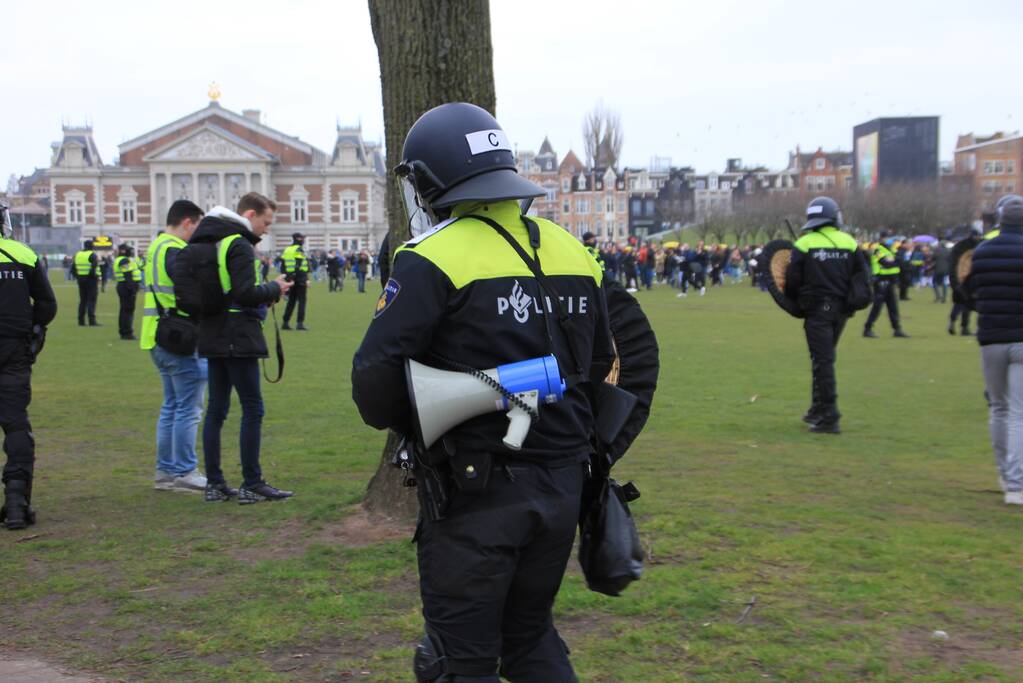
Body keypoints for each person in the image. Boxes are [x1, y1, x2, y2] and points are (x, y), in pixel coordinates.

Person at [352, 102, 614, 683]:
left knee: (458, 659)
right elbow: (601, 362)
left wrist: (430, 416)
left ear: (427, 182)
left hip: (476, 490)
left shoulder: (429, 256)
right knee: (530, 638)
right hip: (563, 481)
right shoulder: (573, 250)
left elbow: (373, 386)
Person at [190, 193, 294, 504]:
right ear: (249, 214)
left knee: (216, 411)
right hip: (238, 336)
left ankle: (215, 483)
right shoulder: (237, 244)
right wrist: (275, 288)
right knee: (252, 408)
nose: (265, 230)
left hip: (212, 333)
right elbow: (245, 293)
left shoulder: (209, 242)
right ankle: (252, 482)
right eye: (265, 222)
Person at [141, 201, 209, 493]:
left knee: (171, 407)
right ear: (187, 223)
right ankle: (185, 471)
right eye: (197, 227)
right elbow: (189, 296)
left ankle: (166, 472)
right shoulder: (176, 251)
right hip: (179, 338)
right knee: (188, 409)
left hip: (156, 335)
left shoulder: (155, 247)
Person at [785, 197, 867, 434]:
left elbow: (792, 281)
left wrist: (796, 302)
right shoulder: (849, 242)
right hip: (841, 310)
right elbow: (861, 275)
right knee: (824, 359)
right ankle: (817, 408)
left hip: (817, 311)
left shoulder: (804, 243)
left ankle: (830, 415)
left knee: (822, 361)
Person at [0, 202, 57, 529]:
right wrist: (27, 326)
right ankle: (17, 502)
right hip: (12, 350)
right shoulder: (21, 254)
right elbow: (48, 305)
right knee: (16, 425)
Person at [964, 197, 1023, 505]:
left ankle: (1005, 475)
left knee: (999, 408)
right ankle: (1017, 484)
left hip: (991, 338)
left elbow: (970, 292)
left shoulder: (984, 251)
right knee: (1018, 412)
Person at [863, 231, 908, 338]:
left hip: (891, 281)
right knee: (877, 307)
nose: (888, 240)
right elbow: (885, 263)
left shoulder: (891, 249)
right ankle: (867, 329)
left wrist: (894, 260)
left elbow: (899, 261)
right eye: (886, 237)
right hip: (881, 280)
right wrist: (894, 260)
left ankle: (897, 329)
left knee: (893, 306)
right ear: (882, 238)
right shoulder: (878, 249)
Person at [280, 232, 309, 331]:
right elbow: (298, 264)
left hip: (290, 278)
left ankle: (285, 322)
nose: (303, 240)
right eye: (302, 238)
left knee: (291, 301)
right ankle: (300, 323)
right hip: (299, 278)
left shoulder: (287, 249)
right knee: (302, 301)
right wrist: (303, 278)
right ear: (298, 239)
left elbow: (283, 265)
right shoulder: (299, 249)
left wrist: (288, 277)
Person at [113, 243, 142, 340]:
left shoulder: (120, 260)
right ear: (123, 251)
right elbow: (128, 275)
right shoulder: (124, 260)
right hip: (126, 287)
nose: (131, 252)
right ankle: (127, 332)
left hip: (123, 286)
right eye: (129, 250)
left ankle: (124, 331)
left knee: (124, 310)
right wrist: (133, 289)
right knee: (128, 310)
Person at [73, 239, 100, 326]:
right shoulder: (92, 255)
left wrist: (78, 277)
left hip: (81, 280)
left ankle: (81, 321)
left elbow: (73, 269)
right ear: (91, 246)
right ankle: (92, 321)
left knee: (83, 300)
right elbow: (93, 269)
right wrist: (95, 277)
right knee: (91, 300)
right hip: (91, 280)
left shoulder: (78, 254)